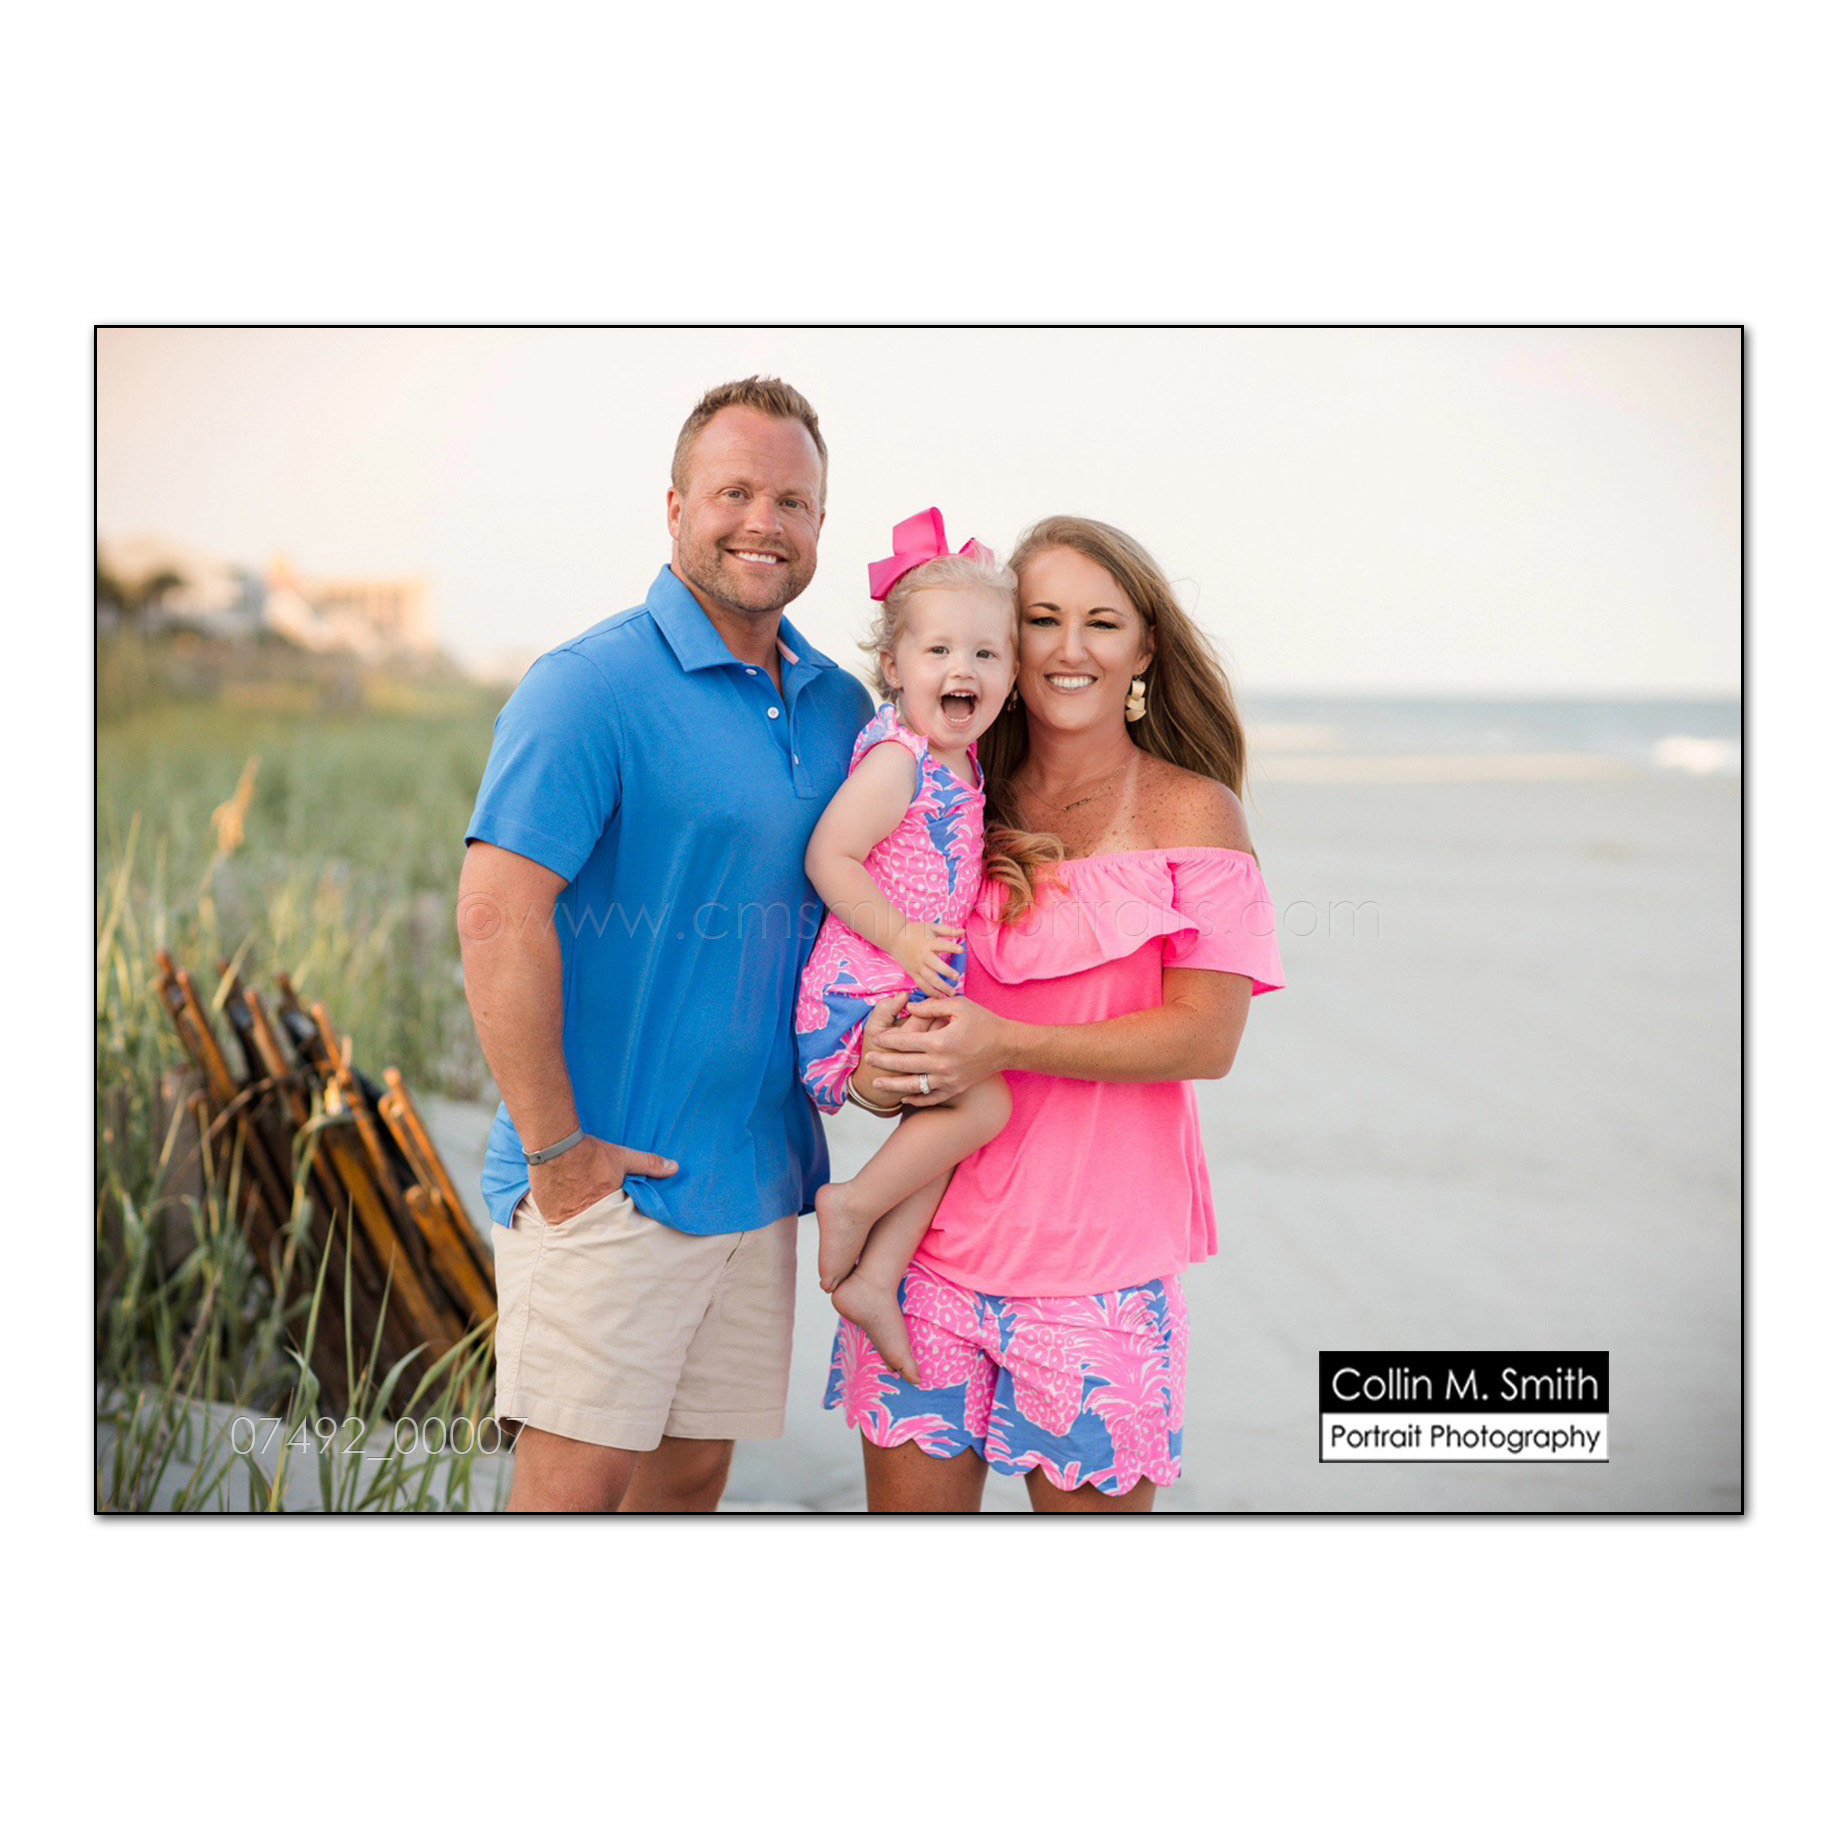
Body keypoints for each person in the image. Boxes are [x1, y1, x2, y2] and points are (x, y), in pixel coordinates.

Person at [458, 376, 873, 1512]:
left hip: (755, 1177)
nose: (763, 522)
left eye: (792, 501)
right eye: (734, 492)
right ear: (677, 505)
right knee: (571, 1495)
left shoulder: (841, 707)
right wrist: (557, 1153)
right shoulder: (588, 686)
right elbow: (494, 914)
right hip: (608, 1182)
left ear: (820, 524)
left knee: (690, 1482)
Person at [822, 515, 1286, 1513]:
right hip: (922, 1260)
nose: (1069, 648)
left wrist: (1007, 1042)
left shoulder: (1198, 813)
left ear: (1145, 647)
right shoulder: (950, 788)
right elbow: (871, 950)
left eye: (1102, 622)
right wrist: (873, 1068)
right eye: (1042, 618)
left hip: (1098, 1281)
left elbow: (1208, 1037)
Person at [795, 509, 1030, 1384]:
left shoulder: (963, 763)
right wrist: (897, 933)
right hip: (857, 995)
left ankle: (876, 1279)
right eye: (937, 651)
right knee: (984, 1105)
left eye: (986, 653)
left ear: (1012, 675)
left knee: (953, 1120)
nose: (962, 669)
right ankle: (853, 1205)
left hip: (899, 987)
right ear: (893, 666)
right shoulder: (898, 761)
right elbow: (829, 855)